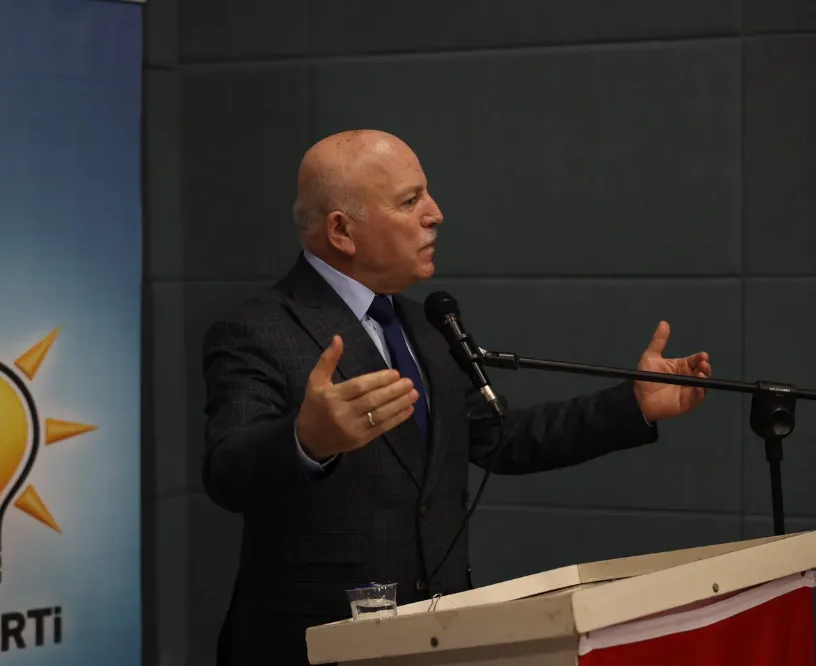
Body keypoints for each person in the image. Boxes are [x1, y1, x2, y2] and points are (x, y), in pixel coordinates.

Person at [200, 129, 712, 665]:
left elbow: (499, 437)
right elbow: (226, 472)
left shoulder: (423, 325)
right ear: (342, 231)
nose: (436, 214)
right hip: (315, 646)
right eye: (410, 201)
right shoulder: (258, 330)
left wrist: (633, 405)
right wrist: (306, 441)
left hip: (438, 639)